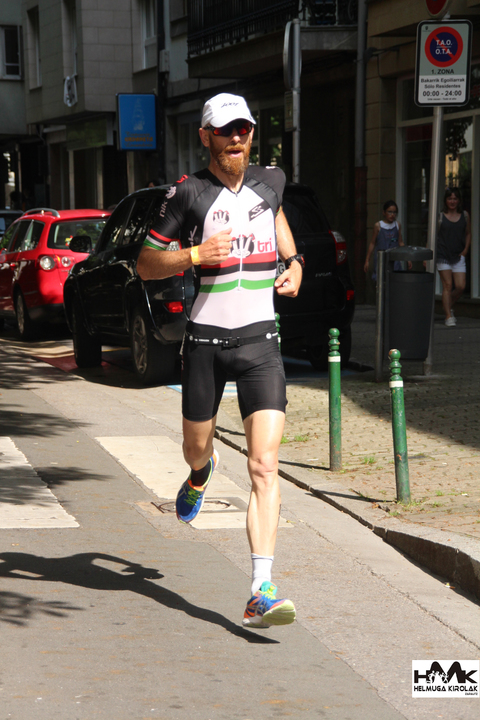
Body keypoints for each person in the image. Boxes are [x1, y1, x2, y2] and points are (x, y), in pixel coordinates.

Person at [137, 92, 303, 629]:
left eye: (244, 129)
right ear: (206, 136)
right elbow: (144, 264)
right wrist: (191, 255)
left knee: (264, 466)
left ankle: (260, 589)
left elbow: (276, 216)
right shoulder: (188, 193)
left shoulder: (271, 180)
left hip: (260, 345)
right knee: (195, 448)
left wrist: (295, 260)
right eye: (226, 130)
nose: (236, 138)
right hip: (205, 344)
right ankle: (200, 473)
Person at [436, 187, 471, 327]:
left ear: (459, 200)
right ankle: (448, 316)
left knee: (461, 286)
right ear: (445, 200)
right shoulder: (440, 217)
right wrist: (429, 255)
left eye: (455, 199)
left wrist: (465, 250)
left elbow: (468, 233)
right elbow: (433, 236)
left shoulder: (465, 215)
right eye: (450, 198)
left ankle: (447, 306)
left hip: (458, 255)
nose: (452, 201)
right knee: (448, 285)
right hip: (443, 254)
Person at [364, 200, 404, 280]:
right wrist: (367, 260)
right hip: (381, 260)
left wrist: (408, 258)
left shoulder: (397, 225)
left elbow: (400, 242)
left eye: (394, 212)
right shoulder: (378, 226)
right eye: (389, 212)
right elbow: (372, 243)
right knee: (381, 280)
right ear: (384, 212)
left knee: (395, 280)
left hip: (394, 260)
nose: (392, 215)